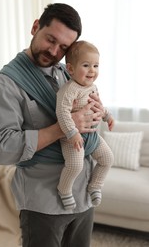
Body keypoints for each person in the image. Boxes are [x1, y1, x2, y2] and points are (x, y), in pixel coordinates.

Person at [0, 3, 104, 247]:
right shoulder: (6, 84)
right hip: (44, 201)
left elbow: (88, 116)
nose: (53, 51)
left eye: (63, 47)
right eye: (50, 39)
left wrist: (98, 111)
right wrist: (66, 126)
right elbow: (2, 149)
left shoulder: (67, 73)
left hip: (82, 194)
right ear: (35, 27)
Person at [56, 40, 114, 210]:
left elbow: (98, 106)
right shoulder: (69, 90)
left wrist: (107, 116)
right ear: (71, 69)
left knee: (108, 158)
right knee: (75, 165)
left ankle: (95, 185)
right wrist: (72, 133)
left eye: (96, 66)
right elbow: (62, 112)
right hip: (73, 138)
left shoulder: (93, 87)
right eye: (86, 65)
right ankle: (64, 189)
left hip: (93, 136)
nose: (92, 70)